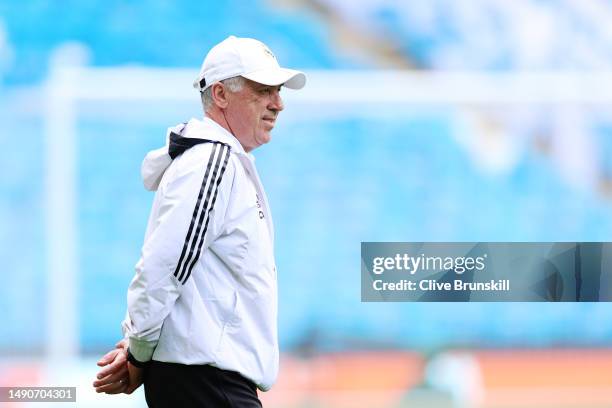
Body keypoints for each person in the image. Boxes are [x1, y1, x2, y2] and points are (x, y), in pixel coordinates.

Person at [92, 35, 305, 407]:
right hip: (206, 384)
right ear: (220, 94)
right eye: (264, 89)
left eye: (279, 90)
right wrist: (138, 351)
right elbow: (164, 266)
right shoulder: (213, 162)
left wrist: (137, 346)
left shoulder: (216, 161)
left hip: (205, 383)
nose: (279, 103)